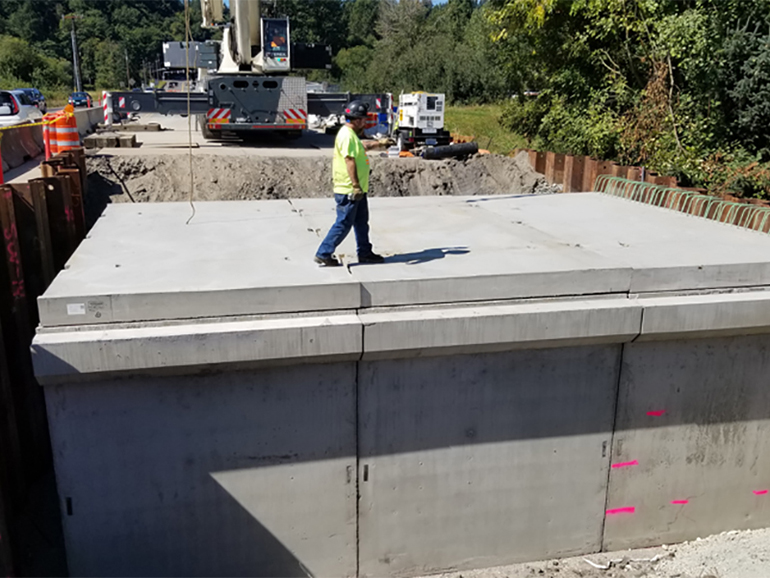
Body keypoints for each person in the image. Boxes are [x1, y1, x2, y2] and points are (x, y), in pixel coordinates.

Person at [315, 100, 392, 266]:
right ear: (356, 120)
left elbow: (361, 147)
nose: (365, 122)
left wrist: (380, 144)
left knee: (361, 222)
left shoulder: (351, 135)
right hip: (350, 189)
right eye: (363, 119)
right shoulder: (347, 136)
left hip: (358, 189)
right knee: (344, 223)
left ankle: (365, 252)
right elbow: (350, 161)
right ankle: (324, 253)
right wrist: (356, 186)